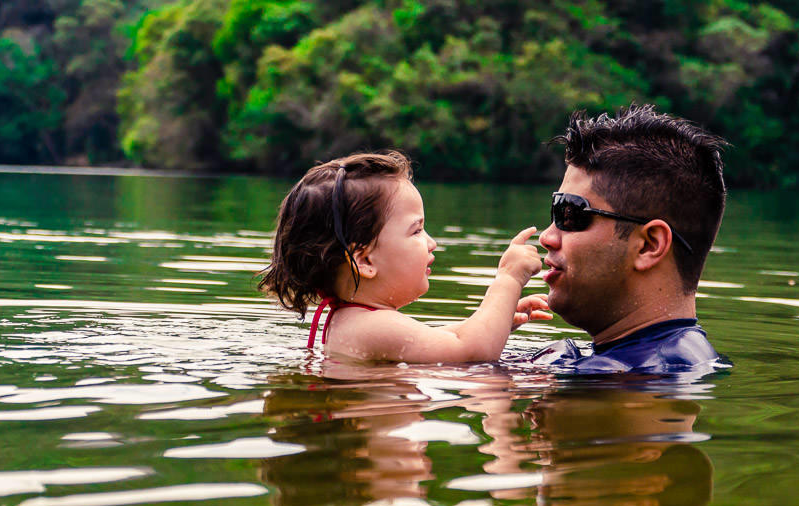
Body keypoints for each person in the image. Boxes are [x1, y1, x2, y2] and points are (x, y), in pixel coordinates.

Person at [260, 151, 550, 362]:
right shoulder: (372, 326)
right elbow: (472, 352)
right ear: (365, 261)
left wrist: (497, 321)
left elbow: (437, 340)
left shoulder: (354, 320)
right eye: (416, 231)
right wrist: (508, 279)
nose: (431, 243)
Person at [532, 105, 729, 374]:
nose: (547, 237)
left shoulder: (626, 379)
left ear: (649, 245)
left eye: (570, 214)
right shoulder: (682, 357)